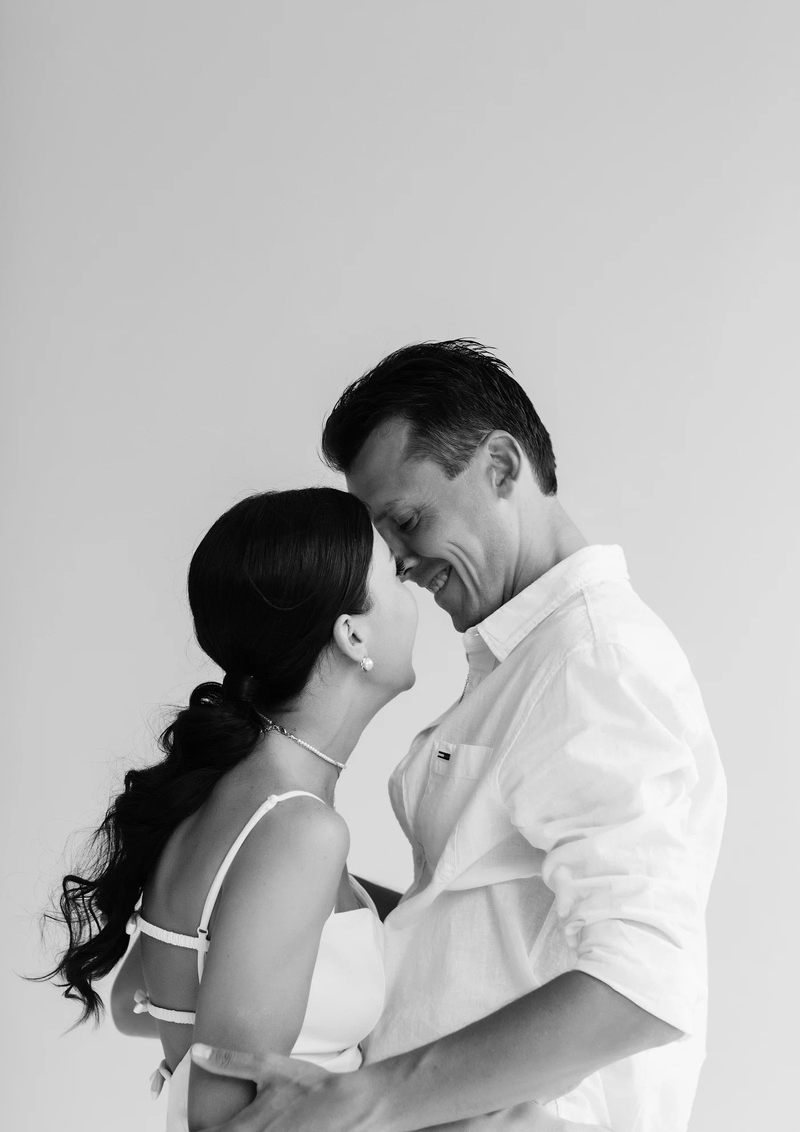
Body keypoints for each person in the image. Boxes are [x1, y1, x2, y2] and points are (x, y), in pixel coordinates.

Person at [192, 340, 727, 1132]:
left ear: (501, 467)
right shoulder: (525, 659)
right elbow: (475, 918)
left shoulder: (594, 662)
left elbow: (644, 983)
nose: (401, 567)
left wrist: (368, 1098)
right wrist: (285, 877)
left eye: (408, 522)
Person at [42, 487, 418, 1131]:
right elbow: (223, 1122)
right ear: (353, 634)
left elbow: (138, 1000)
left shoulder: (232, 797)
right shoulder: (299, 831)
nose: (413, 587)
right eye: (395, 574)